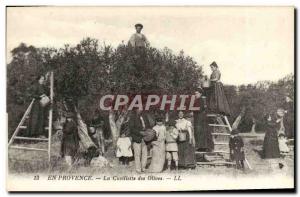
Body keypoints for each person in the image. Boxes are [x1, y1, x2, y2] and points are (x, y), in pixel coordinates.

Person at [129, 109, 151, 173]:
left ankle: (143, 168)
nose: (140, 110)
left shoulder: (145, 116)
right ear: (136, 109)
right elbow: (131, 128)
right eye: (138, 108)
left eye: (141, 108)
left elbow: (148, 126)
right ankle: (138, 169)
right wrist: (140, 132)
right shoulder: (132, 117)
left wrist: (148, 132)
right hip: (137, 138)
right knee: (137, 154)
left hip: (145, 138)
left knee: (145, 154)